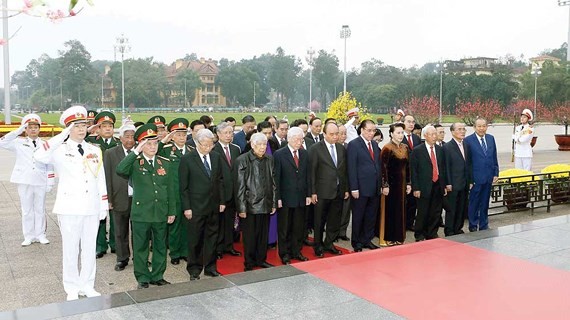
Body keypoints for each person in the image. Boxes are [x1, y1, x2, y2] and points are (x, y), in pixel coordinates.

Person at [34, 106, 108, 301]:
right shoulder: (58, 150)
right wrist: (62, 136)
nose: (82, 129)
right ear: (68, 128)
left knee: (89, 248)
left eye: (84, 125)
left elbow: (100, 178)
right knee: (71, 249)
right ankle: (72, 288)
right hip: (69, 207)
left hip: (91, 206)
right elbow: (38, 156)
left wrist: (103, 204)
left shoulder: (94, 149)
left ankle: (87, 285)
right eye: (76, 126)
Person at [116, 123, 176, 289]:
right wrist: (136, 151)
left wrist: (172, 211)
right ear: (141, 145)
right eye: (147, 144)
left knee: (160, 246)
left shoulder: (165, 162)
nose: (152, 147)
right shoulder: (135, 162)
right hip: (141, 213)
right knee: (141, 247)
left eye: (155, 143)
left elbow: (171, 189)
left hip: (161, 212)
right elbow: (120, 170)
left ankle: (157, 275)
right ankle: (142, 277)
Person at [0, 114, 54, 246]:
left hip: (40, 179)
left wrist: (50, 181)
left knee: (40, 208)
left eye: (36, 127)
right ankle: (28, 235)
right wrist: (17, 131)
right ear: (25, 129)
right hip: (24, 180)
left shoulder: (44, 144)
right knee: (27, 209)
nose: (33, 130)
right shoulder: (18, 143)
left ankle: (40, 234)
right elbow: (2, 142)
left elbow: (49, 163)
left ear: (39, 129)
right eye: (30, 127)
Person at [179, 129, 225, 280]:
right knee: (195, 240)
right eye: (204, 145)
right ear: (197, 143)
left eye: (210, 144)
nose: (207, 148)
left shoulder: (216, 157)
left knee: (212, 238)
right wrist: (187, 207)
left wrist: (222, 201)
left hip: (213, 205)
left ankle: (210, 267)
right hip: (195, 207)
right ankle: (194, 269)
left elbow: (220, 180)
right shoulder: (187, 159)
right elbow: (183, 186)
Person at [235, 132, 277, 271]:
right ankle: (249, 263)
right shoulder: (243, 160)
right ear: (252, 145)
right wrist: (241, 208)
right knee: (250, 237)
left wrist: (273, 203)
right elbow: (239, 186)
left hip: (266, 203)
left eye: (264, 144)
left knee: (263, 235)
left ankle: (261, 259)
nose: (262, 147)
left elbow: (273, 183)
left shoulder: (269, 159)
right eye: (259, 144)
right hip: (250, 205)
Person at [309, 123, 348, 257]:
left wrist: (346, 188)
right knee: (319, 221)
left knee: (334, 220)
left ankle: (329, 243)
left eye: (336, 134)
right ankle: (318, 246)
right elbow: (312, 172)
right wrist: (312, 192)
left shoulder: (341, 148)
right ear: (324, 134)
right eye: (331, 134)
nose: (335, 136)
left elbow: (344, 171)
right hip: (321, 192)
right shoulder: (315, 149)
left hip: (338, 190)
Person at [158, 118, 193, 265]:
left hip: (187, 193)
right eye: (178, 134)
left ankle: (185, 251)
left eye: (184, 134)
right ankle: (174, 253)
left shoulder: (191, 151)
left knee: (187, 224)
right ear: (173, 135)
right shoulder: (166, 150)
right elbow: (155, 150)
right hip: (172, 194)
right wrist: (165, 139)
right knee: (174, 225)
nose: (182, 137)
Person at [274, 127, 311, 264]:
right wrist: (277, 197)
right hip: (285, 198)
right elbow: (276, 177)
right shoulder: (279, 154)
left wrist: (308, 194)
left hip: (301, 197)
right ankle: (284, 254)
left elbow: (308, 176)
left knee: (299, 227)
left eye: (301, 139)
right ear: (289, 139)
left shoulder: (305, 154)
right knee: (285, 228)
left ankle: (296, 251)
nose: (299, 142)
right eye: (296, 139)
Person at [103, 123, 136, 271]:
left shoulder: (140, 152)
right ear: (121, 138)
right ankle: (122, 259)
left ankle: (139, 257)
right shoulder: (111, 153)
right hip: (119, 197)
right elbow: (107, 177)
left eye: (132, 136)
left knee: (139, 232)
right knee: (120, 230)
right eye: (126, 136)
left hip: (138, 199)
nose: (130, 140)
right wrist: (109, 199)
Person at [89, 111, 120, 259]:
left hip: (115, 184)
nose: (108, 129)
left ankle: (115, 244)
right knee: (99, 217)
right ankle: (100, 245)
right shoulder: (90, 144)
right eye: (104, 126)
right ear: (98, 128)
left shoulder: (119, 143)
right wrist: (89, 130)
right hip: (97, 184)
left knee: (116, 217)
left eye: (110, 126)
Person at [347, 120, 381, 252]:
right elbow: (351, 168)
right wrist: (353, 188)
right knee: (358, 216)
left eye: (373, 131)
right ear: (362, 129)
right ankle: (357, 242)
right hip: (360, 188)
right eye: (369, 130)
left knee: (371, 216)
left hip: (374, 187)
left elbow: (377, 165)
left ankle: (367, 239)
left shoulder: (374, 144)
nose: (371, 133)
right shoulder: (354, 145)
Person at [410, 126, 447, 241]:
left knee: (436, 211)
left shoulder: (440, 150)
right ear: (425, 135)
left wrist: (444, 185)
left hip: (438, 185)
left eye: (435, 134)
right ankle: (419, 234)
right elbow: (414, 171)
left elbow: (443, 169)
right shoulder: (417, 150)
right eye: (432, 134)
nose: (434, 136)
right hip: (423, 186)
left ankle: (432, 232)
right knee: (423, 211)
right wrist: (416, 188)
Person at [212, 122, 242, 259]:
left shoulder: (236, 149)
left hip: (234, 192)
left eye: (231, 133)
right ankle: (218, 249)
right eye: (226, 133)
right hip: (220, 193)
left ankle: (229, 246)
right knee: (219, 222)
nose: (229, 135)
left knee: (230, 222)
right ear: (218, 134)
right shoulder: (213, 150)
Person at [464, 118, 499, 232]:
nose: (481, 128)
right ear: (474, 127)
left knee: (485, 203)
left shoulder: (490, 138)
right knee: (474, 202)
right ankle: (473, 225)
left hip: (488, 177)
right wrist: (469, 179)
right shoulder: (468, 141)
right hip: (476, 178)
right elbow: (467, 162)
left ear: (487, 127)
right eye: (479, 126)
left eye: (484, 126)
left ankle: (484, 224)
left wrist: (495, 173)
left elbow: (494, 157)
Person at [380, 123, 411, 246]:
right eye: (398, 133)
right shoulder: (387, 148)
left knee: (401, 211)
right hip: (391, 186)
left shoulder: (405, 147)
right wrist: (385, 185)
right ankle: (389, 237)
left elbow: (408, 167)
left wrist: (409, 183)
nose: (400, 135)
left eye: (402, 133)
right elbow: (383, 168)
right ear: (391, 134)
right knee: (391, 211)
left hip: (402, 185)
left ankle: (399, 237)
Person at [443, 123, 472, 236]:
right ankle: (449, 230)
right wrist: (448, 183)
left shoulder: (466, 145)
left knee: (461, 207)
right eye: (459, 129)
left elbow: (469, 164)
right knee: (452, 208)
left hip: (464, 182)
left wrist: (470, 181)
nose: (462, 131)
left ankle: (458, 228)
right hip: (453, 184)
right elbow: (446, 167)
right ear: (452, 132)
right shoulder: (447, 147)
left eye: (464, 129)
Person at [402, 115, 420, 231]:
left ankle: (410, 223)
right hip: (403, 174)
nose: (411, 124)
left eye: (413, 122)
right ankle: (402, 224)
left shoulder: (417, 138)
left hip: (415, 174)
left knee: (413, 201)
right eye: (408, 122)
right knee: (404, 201)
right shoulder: (398, 137)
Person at [337, 125, 351, 241]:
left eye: (345, 133)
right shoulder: (331, 147)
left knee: (346, 210)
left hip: (346, 183)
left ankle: (343, 232)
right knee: (335, 211)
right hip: (334, 185)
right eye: (341, 133)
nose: (343, 136)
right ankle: (334, 233)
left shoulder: (348, 147)